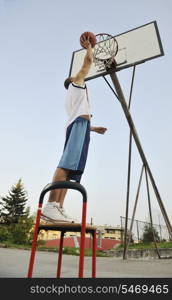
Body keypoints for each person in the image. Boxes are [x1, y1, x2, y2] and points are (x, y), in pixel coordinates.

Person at [42, 36, 107, 223]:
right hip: (78, 126)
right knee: (65, 164)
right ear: (71, 81)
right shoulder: (76, 83)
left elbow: (82, 116)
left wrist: (93, 129)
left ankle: (59, 207)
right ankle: (50, 205)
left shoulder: (77, 96)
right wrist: (89, 48)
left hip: (82, 126)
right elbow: (87, 63)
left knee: (71, 171)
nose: (79, 75)